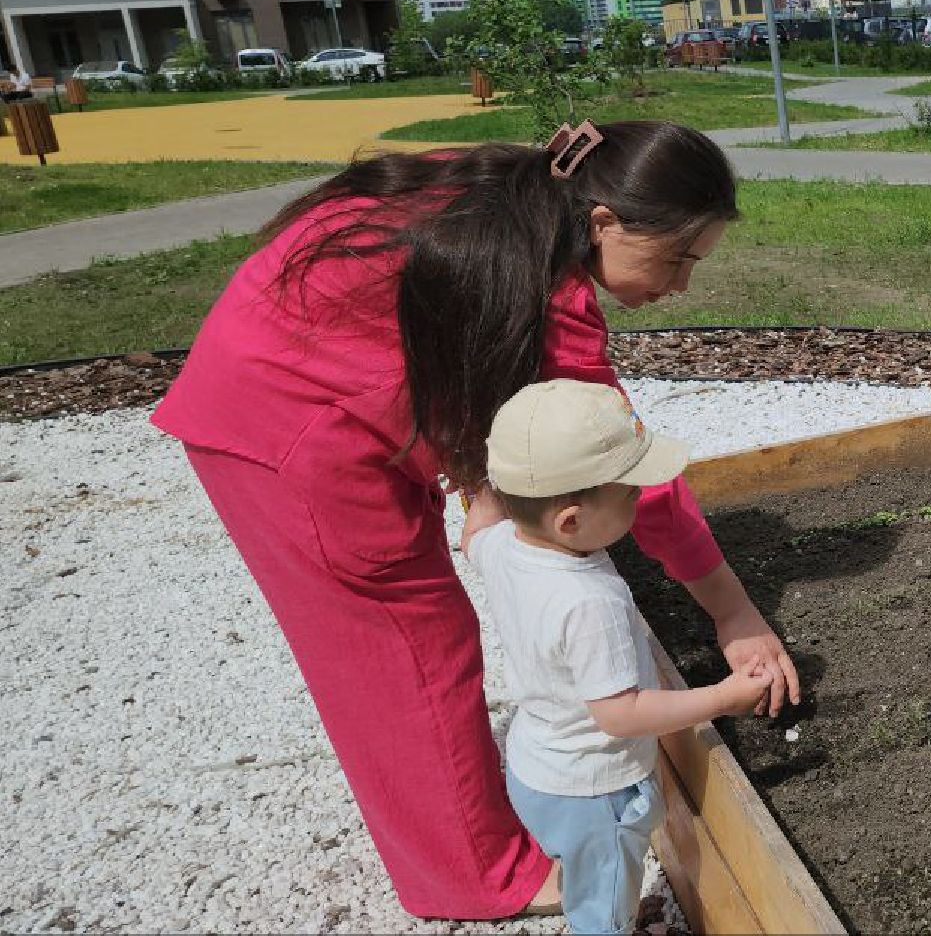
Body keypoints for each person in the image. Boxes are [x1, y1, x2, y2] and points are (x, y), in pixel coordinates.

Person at [150, 120, 802, 920]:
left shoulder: (520, 191)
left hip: (301, 392)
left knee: (413, 633)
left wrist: (474, 484)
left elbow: (455, 343)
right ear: (603, 222)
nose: (681, 288)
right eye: (676, 259)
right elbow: (623, 466)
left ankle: (451, 827)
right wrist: (732, 614)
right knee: (409, 644)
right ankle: (474, 877)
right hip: (290, 433)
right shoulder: (548, 294)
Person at [463, 378, 773, 934]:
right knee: (604, 909)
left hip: (537, 767)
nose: (639, 498)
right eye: (630, 492)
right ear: (571, 521)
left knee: (590, 871)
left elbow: (475, 527)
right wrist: (724, 697)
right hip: (596, 790)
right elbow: (620, 713)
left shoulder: (504, 545)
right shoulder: (591, 601)